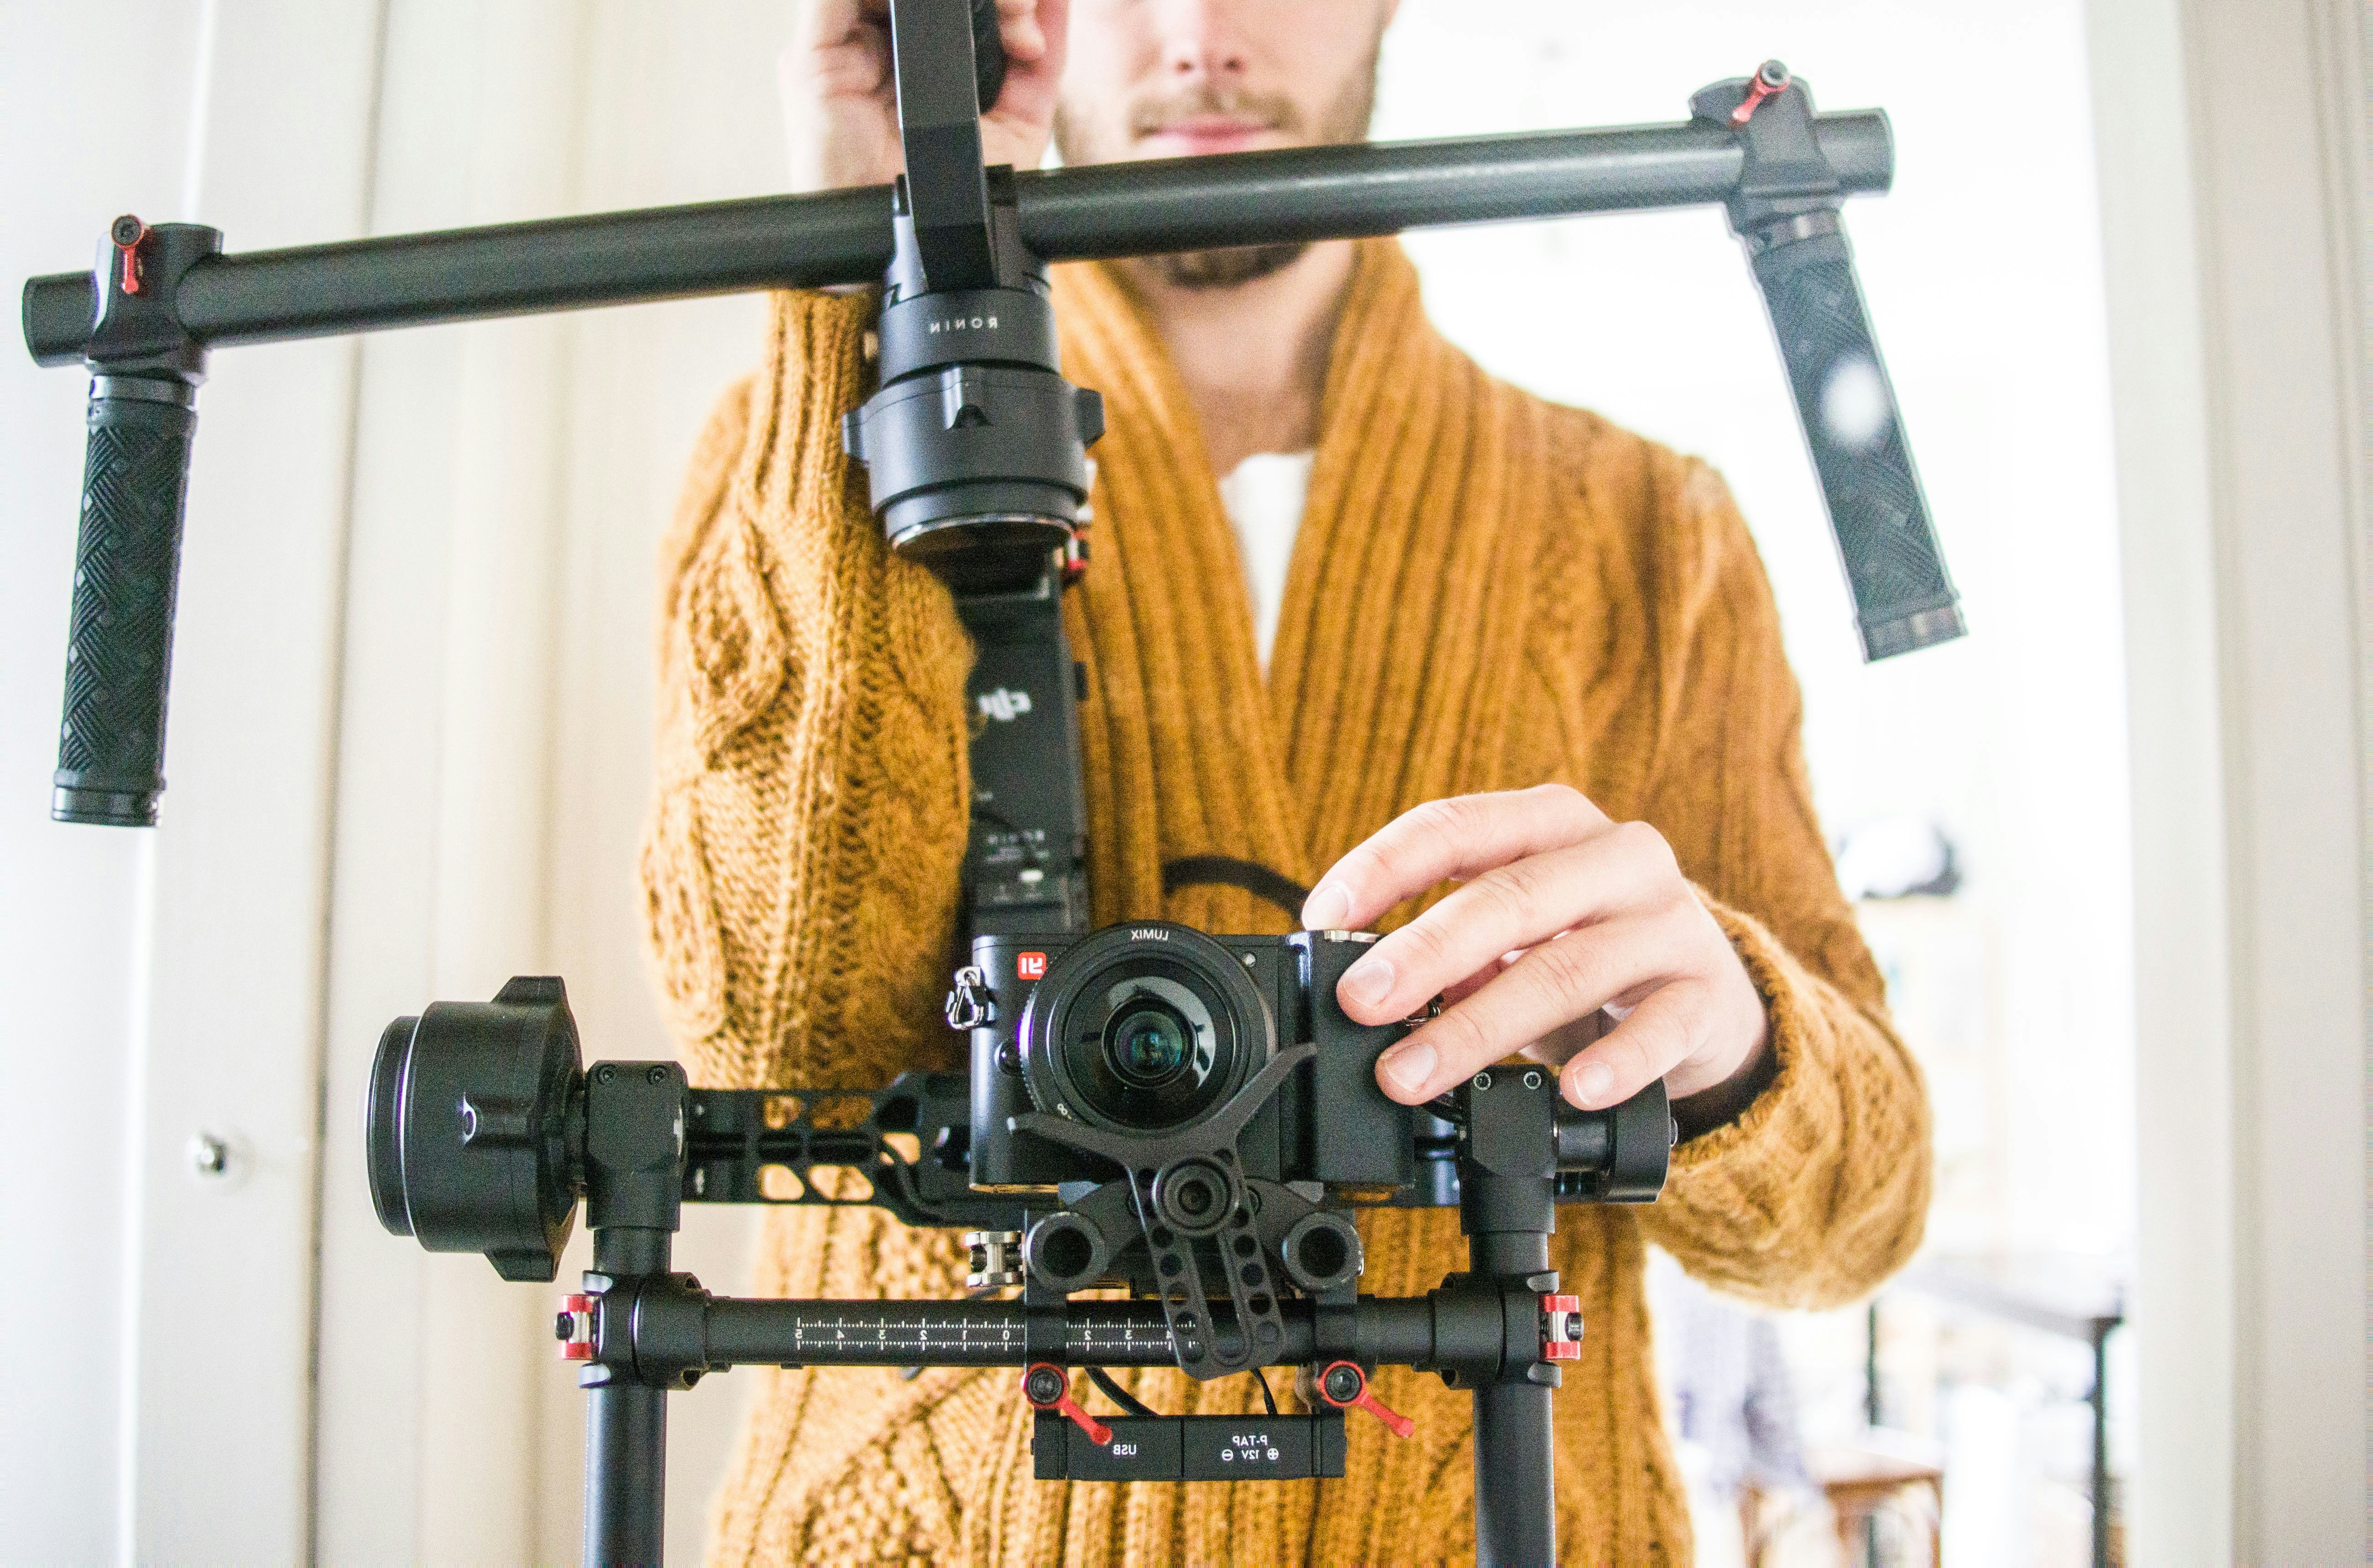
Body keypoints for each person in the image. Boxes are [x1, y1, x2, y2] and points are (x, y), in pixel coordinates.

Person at [638, 0, 1931, 1558]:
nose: (1195, 30)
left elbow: (1859, 1217)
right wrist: (865, 281)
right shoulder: (810, 458)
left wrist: (1730, 1049)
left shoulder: (1650, 532)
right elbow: (780, 1033)